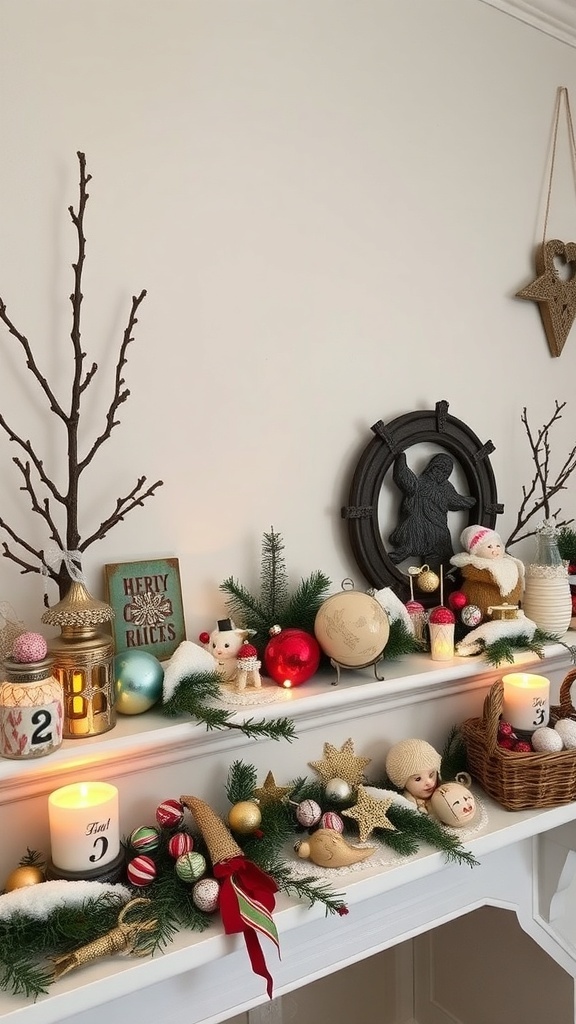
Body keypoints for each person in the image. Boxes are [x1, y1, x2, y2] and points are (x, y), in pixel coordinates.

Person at [388, 452, 476, 568]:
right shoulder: (419, 484)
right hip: (418, 527)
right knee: (406, 549)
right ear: (432, 467)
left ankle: (444, 579)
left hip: (439, 531)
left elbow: (456, 500)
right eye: (439, 469)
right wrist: (400, 458)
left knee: (443, 560)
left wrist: (472, 501)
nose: (442, 474)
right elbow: (404, 477)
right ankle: (385, 566)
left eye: (446, 472)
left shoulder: (445, 487)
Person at [450, 525, 524, 620]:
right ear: (475, 551)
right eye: (489, 547)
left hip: (510, 613)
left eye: (498, 545)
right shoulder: (475, 566)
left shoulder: (511, 564)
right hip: (481, 615)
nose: (495, 550)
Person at [385, 738, 442, 813]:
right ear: (403, 783)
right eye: (418, 779)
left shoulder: (445, 791)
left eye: (431, 775)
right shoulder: (408, 805)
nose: (429, 782)